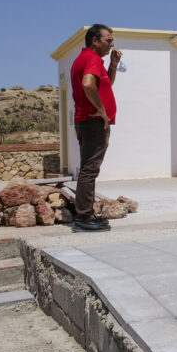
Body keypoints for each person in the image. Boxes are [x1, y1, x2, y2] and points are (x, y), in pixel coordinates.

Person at [70, 23, 121, 232]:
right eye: (108, 40)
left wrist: (113, 64)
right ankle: (84, 217)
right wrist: (101, 111)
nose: (112, 44)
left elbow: (105, 83)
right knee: (89, 170)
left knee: (89, 168)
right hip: (93, 123)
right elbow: (89, 84)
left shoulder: (88, 59)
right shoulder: (90, 58)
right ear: (95, 41)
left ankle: (85, 214)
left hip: (88, 122)